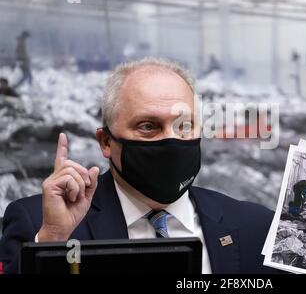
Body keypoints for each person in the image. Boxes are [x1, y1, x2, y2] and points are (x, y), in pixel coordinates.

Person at [0, 58, 277, 274]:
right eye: (148, 126)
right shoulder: (41, 224)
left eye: (184, 125)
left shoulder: (255, 227)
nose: (171, 139)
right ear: (106, 142)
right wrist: (53, 241)